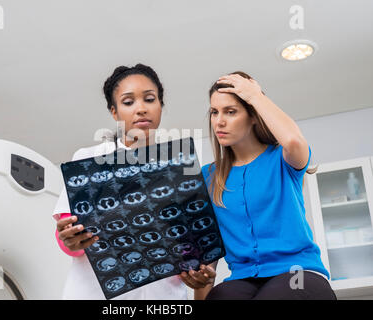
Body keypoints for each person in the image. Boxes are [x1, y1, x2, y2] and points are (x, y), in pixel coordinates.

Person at [180, 71, 336, 300]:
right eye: (214, 112)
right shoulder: (208, 177)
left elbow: (293, 140)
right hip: (243, 279)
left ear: (253, 115)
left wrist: (255, 96)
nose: (219, 121)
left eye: (230, 112)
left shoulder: (282, 159)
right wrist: (202, 279)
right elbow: (208, 255)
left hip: (298, 273)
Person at [52, 63, 188, 300]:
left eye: (149, 99)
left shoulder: (180, 166)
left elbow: (188, 242)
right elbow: (68, 235)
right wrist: (72, 242)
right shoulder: (88, 160)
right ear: (114, 112)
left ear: (160, 106)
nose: (141, 109)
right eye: (128, 102)